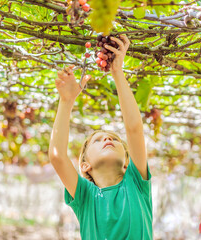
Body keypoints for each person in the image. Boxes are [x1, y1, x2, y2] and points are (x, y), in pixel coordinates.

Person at [48, 35, 153, 240]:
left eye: (114, 139)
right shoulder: (85, 197)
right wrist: (66, 102)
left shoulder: (136, 182)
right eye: (98, 140)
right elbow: (57, 157)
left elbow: (133, 129)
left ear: (127, 162)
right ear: (85, 166)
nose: (108, 140)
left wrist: (117, 72)